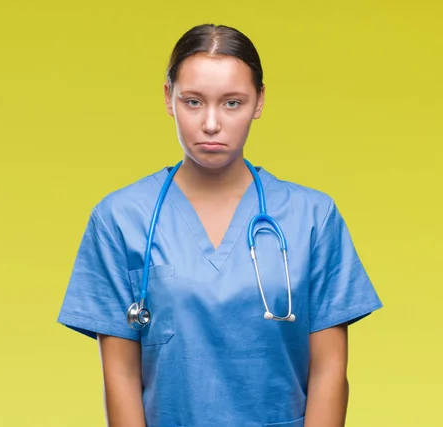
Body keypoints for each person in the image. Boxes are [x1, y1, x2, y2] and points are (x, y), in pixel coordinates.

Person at [56, 23, 383, 427]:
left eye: (232, 103)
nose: (211, 123)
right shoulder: (121, 219)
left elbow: (329, 372)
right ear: (168, 98)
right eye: (193, 102)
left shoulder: (313, 218)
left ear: (259, 101)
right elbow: (120, 376)